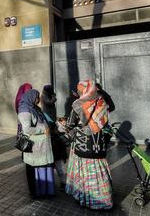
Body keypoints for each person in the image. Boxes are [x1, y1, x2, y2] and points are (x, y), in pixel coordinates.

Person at [65, 80, 113, 210]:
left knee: (84, 174)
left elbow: (70, 124)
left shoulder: (78, 104)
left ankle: (84, 200)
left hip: (83, 145)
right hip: (98, 145)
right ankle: (103, 201)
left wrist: (71, 130)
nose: (79, 92)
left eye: (80, 90)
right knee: (99, 173)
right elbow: (108, 118)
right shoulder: (102, 103)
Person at [18, 89, 55, 198]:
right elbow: (27, 129)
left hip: (42, 147)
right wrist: (43, 130)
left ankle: (45, 190)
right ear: (31, 97)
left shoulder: (35, 108)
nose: (39, 99)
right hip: (35, 147)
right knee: (34, 169)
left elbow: (43, 121)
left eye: (38, 96)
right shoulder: (25, 111)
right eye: (37, 97)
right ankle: (36, 192)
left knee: (44, 167)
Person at [41, 85, 68, 190]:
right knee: (56, 167)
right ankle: (58, 183)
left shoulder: (54, 136)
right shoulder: (44, 96)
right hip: (48, 118)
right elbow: (50, 102)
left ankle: (62, 183)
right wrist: (54, 97)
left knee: (58, 167)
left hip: (55, 153)